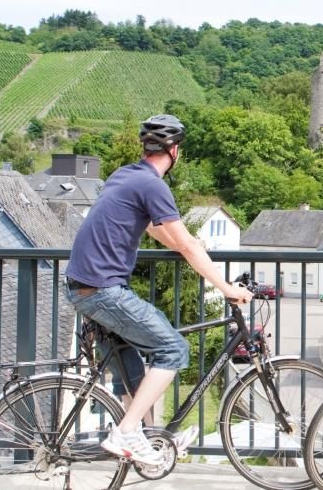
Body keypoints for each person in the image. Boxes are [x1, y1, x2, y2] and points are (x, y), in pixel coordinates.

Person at [64, 114, 253, 466]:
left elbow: (155, 229)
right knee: (173, 349)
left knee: (132, 370)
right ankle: (126, 433)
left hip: (82, 286)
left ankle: (146, 439)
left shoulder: (125, 175)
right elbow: (185, 245)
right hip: (103, 289)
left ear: (145, 146)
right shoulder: (153, 185)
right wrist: (227, 287)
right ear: (175, 150)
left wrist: (184, 242)